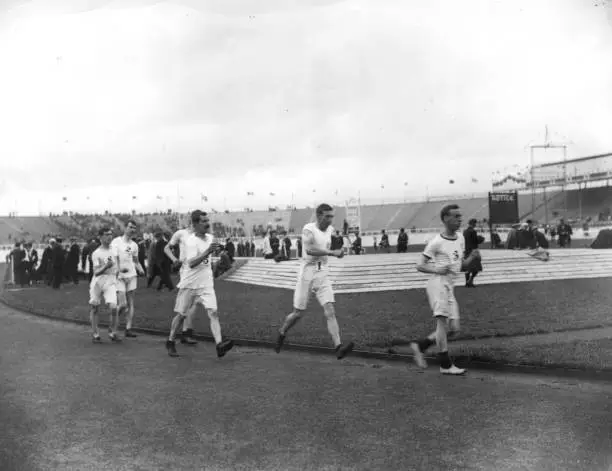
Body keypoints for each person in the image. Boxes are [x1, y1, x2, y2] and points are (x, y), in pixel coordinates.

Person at [275, 203, 354, 359]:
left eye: (332, 216)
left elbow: (330, 245)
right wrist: (332, 252)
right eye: (327, 216)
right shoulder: (308, 229)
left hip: (322, 272)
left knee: (330, 309)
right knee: (298, 313)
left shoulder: (330, 230)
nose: (330, 220)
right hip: (307, 273)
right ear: (318, 216)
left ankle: (338, 347)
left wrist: (339, 251)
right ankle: (282, 332)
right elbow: (310, 250)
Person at [410, 204, 481, 375]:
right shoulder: (436, 242)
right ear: (445, 219)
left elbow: (460, 266)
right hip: (438, 283)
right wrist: (436, 269)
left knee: (454, 329)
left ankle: (420, 346)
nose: (459, 220)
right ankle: (446, 365)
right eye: (456, 216)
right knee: (441, 324)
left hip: (449, 286)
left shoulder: (460, 238)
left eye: (460, 216)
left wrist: (472, 257)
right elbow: (420, 265)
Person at [165, 210, 234, 358]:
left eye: (207, 220)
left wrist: (222, 255)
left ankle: (219, 344)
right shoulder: (191, 241)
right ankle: (170, 341)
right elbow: (191, 263)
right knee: (181, 315)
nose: (207, 223)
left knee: (213, 312)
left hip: (206, 282)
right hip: (190, 283)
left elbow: (212, 256)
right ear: (195, 224)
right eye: (203, 221)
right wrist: (208, 251)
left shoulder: (210, 237)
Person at [164, 223, 199, 345]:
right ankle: (173, 338)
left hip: (198, 273)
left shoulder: (200, 236)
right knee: (185, 306)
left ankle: (186, 333)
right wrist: (174, 260)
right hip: (186, 272)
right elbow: (166, 248)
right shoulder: (181, 234)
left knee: (193, 304)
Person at [111, 220, 145, 338]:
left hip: (131, 276)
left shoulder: (134, 245)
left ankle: (128, 328)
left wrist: (140, 269)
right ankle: (114, 324)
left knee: (130, 303)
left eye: (134, 228)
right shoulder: (116, 242)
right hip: (119, 277)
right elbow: (115, 259)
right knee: (123, 304)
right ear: (125, 228)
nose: (132, 230)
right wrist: (119, 270)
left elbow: (135, 260)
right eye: (130, 227)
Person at [89, 227, 122, 343]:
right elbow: (96, 272)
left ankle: (113, 332)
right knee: (94, 307)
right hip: (98, 281)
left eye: (110, 234)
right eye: (106, 234)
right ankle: (95, 334)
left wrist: (118, 271)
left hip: (110, 281)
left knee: (114, 307)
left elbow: (117, 264)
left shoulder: (114, 250)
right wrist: (106, 266)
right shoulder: (96, 253)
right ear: (100, 237)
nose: (109, 236)